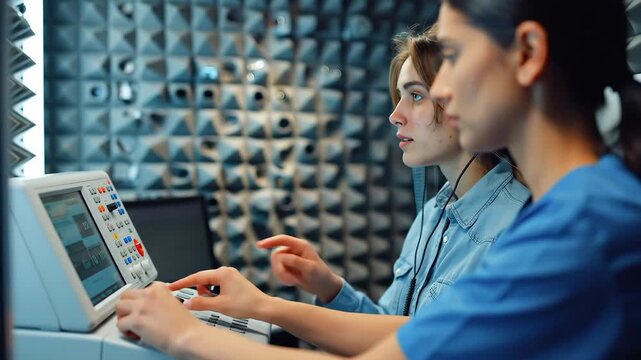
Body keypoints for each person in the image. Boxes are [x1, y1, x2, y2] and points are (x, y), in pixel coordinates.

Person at [115, 0, 641, 358]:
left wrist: (186, 334)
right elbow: (415, 334)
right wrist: (262, 306)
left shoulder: (580, 228)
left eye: (453, 58)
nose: (444, 88)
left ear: (526, 54)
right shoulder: (582, 211)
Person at [254, 27, 529, 317]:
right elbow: (392, 332)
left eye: (416, 95)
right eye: (399, 96)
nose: (395, 115)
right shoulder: (432, 216)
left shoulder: (515, 227)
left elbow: (432, 343)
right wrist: (329, 287)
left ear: (462, 101)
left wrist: (268, 309)